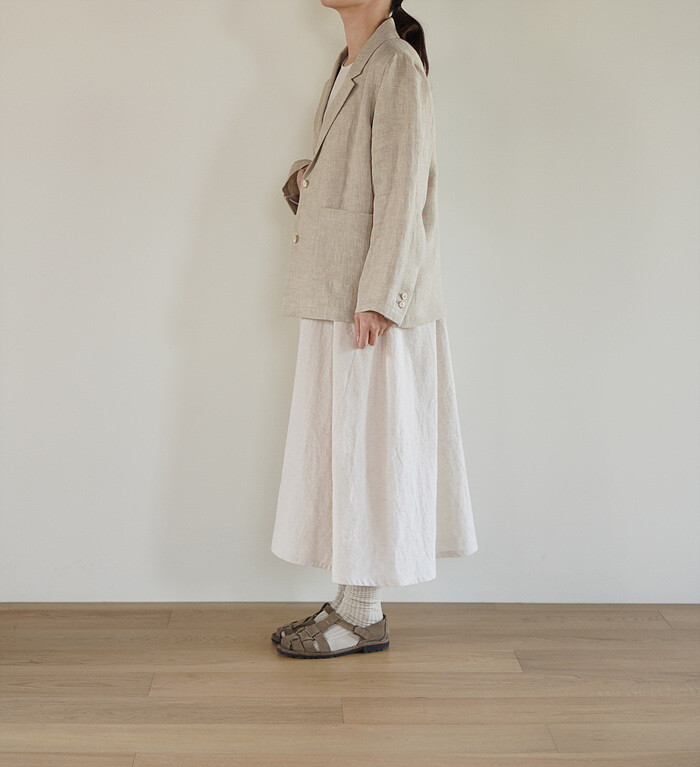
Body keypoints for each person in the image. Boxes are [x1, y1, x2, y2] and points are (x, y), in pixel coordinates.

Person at [270, 0, 478, 659]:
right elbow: (363, 176)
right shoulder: (353, 63)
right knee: (346, 448)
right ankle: (353, 602)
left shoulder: (397, 67)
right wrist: (308, 179)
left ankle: (363, 614)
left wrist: (381, 297)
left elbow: (403, 192)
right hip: (341, 290)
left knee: (367, 448)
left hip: (369, 302)